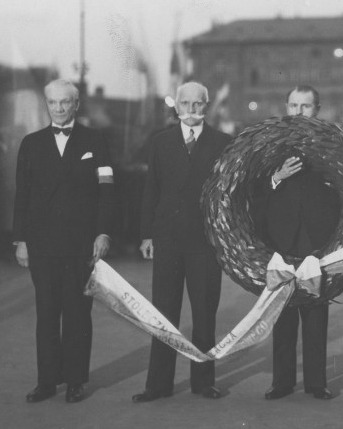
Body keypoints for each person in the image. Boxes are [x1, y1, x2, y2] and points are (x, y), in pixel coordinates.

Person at [13, 80, 115, 403]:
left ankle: (75, 380)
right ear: (47, 105)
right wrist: (21, 240)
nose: (58, 108)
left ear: (76, 104)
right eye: (53, 103)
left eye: (65, 103)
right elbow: (22, 196)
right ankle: (46, 381)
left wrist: (103, 232)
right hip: (42, 245)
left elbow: (107, 191)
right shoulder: (30, 144)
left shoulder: (95, 140)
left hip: (80, 245)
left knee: (77, 313)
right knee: (46, 314)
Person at [133, 81, 232, 403]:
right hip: (168, 240)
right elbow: (151, 189)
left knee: (204, 314)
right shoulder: (161, 142)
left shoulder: (222, 142)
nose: (191, 109)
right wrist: (147, 234)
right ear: (175, 107)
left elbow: (229, 194)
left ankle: (203, 382)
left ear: (206, 106)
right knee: (164, 314)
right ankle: (158, 384)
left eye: (197, 103)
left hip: (205, 242)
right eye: (185, 103)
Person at [255, 86, 340, 401]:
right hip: (282, 240)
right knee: (283, 316)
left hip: (317, 241)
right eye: (294, 105)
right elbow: (254, 190)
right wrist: (277, 177)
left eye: (306, 106)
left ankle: (316, 382)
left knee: (316, 314)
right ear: (286, 107)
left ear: (317, 108)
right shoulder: (269, 144)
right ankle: (282, 382)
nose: (299, 111)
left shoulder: (332, 143)